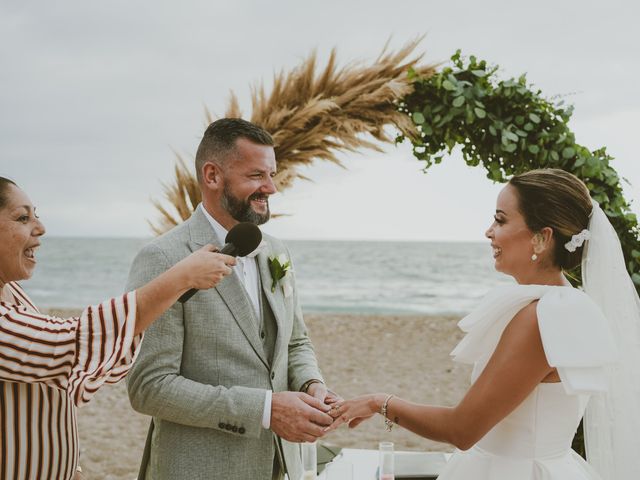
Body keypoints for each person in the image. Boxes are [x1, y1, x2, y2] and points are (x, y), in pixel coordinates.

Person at [326, 168, 640, 479]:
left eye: (500, 220)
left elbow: (462, 429)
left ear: (542, 238)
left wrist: (378, 402)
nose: (489, 231)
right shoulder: (570, 305)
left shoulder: (541, 317)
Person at [126, 118, 337, 480]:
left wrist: (311, 385)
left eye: (272, 175)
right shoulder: (163, 259)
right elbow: (149, 388)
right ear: (212, 176)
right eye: (257, 176)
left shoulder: (275, 249)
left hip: (278, 465)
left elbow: (296, 341)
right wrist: (266, 410)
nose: (271, 188)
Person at [0, 176, 236, 480]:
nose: (40, 227)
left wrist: (71, 465)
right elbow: (65, 346)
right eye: (22, 217)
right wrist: (180, 277)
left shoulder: (13, 292)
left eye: (36, 214)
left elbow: (62, 381)